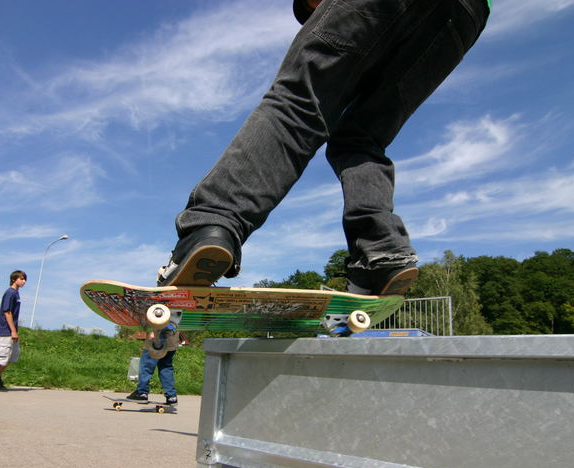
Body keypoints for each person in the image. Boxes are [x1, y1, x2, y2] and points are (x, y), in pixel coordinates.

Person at [157, 0, 490, 295]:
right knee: (362, 137)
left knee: (298, 104)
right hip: (463, 15)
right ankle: (381, 255)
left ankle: (214, 222)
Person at [0, 270, 27, 391]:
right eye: (21, 278)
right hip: (6, 331)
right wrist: (13, 331)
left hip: (12, 331)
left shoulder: (16, 293)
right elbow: (7, 312)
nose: (24, 281)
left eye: (25, 279)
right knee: (1, 356)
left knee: (12, 357)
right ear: (14, 279)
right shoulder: (10, 293)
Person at [126, 325, 180, 405]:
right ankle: (171, 396)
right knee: (166, 367)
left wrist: (151, 332)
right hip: (173, 337)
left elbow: (154, 316)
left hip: (157, 337)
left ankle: (142, 393)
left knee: (146, 365)